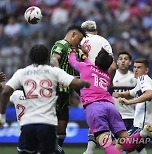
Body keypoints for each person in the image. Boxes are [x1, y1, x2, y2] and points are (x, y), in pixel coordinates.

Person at [69, 49, 152, 154]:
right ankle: (142, 133)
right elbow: (105, 68)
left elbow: (72, 61)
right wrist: (85, 57)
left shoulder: (86, 67)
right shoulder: (107, 75)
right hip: (112, 108)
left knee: (107, 145)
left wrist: (72, 51)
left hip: (95, 107)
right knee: (126, 143)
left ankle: (89, 151)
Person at [0, 44, 90, 154]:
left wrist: (2, 116)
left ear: (30, 57)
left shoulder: (21, 73)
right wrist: (86, 82)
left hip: (27, 124)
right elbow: (76, 83)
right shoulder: (54, 71)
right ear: (47, 58)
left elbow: (5, 92)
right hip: (47, 124)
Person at [80, 20, 116, 154]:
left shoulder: (79, 41)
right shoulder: (102, 41)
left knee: (93, 113)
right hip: (100, 81)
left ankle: (90, 150)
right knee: (103, 115)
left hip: (83, 81)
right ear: (96, 31)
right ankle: (106, 146)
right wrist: (109, 82)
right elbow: (113, 66)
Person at [50, 25, 86, 154]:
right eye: (79, 39)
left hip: (66, 91)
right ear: (73, 35)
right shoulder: (62, 44)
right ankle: (52, 147)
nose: (79, 42)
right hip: (57, 89)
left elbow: (71, 74)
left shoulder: (71, 50)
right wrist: (59, 73)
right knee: (55, 118)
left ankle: (57, 147)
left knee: (63, 120)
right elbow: (54, 59)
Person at [113, 58, 152, 154]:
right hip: (149, 125)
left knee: (120, 146)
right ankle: (147, 132)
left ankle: (144, 133)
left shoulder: (143, 79)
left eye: (139, 67)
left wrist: (130, 102)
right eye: (134, 67)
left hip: (142, 125)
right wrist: (120, 94)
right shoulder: (141, 82)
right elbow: (131, 93)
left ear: (146, 70)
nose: (136, 70)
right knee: (138, 149)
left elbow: (149, 94)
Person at [110, 51, 136, 130]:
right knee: (118, 142)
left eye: (126, 59)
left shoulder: (134, 78)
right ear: (117, 62)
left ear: (130, 62)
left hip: (131, 116)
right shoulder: (112, 76)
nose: (123, 61)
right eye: (120, 59)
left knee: (130, 142)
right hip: (115, 116)